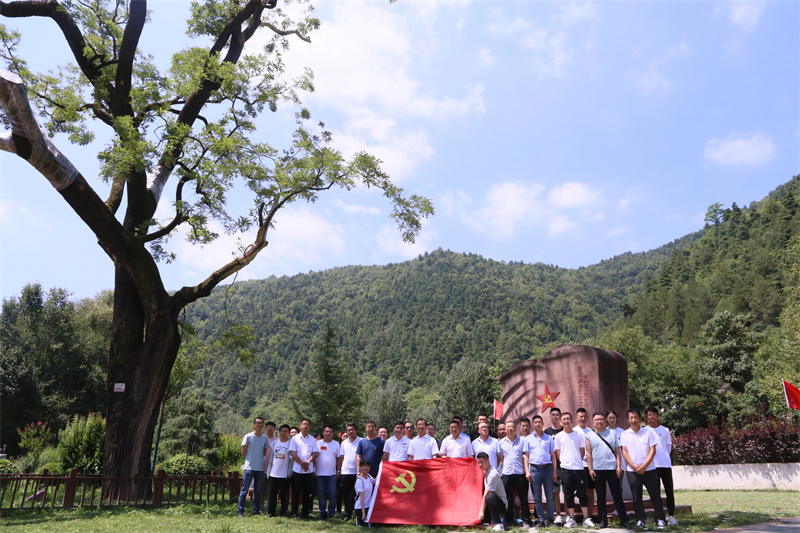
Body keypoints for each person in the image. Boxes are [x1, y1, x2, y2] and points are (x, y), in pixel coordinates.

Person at [621, 409, 666, 530]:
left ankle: (660, 519)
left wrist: (645, 466)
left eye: (635, 417)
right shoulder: (624, 434)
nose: (633, 420)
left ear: (640, 418)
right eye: (631, 418)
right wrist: (634, 466)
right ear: (628, 420)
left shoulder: (648, 432)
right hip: (633, 471)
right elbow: (624, 452)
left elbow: (652, 450)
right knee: (637, 497)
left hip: (649, 469)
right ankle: (640, 519)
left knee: (655, 495)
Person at [585, 412, 629, 529]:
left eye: (601, 419)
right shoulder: (589, 435)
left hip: (612, 468)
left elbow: (618, 451)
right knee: (600, 496)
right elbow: (589, 453)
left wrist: (619, 466)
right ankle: (603, 520)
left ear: (605, 420)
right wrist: (590, 468)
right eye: (596, 420)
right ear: (593, 422)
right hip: (597, 469)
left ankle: (623, 519)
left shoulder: (612, 433)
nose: (599, 421)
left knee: (617, 495)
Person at [553, 412, 595, 529]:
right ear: (561, 422)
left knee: (582, 494)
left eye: (568, 419)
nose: (566, 421)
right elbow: (557, 453)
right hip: (566, 470)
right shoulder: (558, 436)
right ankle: (571, 519)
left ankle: (586, 518)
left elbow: (582, 451)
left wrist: (576, 461)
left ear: (572, 421)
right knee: (568, 494)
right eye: (564, 419)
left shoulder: (579, 434)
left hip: (578, 469)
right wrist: (565, 462)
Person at [523, 414, 556, 527]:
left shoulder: (549, 438)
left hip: (547, 469)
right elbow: (526, 456)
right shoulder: (528, 439)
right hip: (534, 469)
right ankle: (541, 519)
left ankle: (550, 519)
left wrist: (554, 472)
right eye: (535, 422)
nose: (537, 424)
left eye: (539, 422)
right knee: (537, 497)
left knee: (550, 496)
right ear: (533, 425)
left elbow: (553, 456)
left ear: (543, 424)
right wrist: (527, 471)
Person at [647, 407, 678, 526]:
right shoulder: (645, 431)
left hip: (664, 464)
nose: (652, 417)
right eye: (650, 415)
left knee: (669, 491)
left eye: (654, 414)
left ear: (657, 416)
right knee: (656, 493)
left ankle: (671, 515)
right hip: (652, 466)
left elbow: (668, 447)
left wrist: (664, 458)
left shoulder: (665, 430)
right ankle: (659, 517)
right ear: (647, 417)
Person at [498, 420, 531, 527]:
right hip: (507, 473)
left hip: (520, 472)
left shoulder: (522, 441)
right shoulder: (501, 442)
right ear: (505, 429)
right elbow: (501, 457)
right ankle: (510, 521)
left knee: (523, 497)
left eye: (511, 426)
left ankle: (526, 520)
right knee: (508, 498)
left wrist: (527, 471)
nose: (509, 429)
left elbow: (525, 456)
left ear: (515, 428)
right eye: (507, 427)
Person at [238, 417, 271, 517]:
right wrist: (249, 460)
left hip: (260, 468)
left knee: (258, 491)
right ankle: (240, 511)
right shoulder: (248, 436)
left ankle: (256, 511)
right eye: (257, 423)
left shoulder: (264, 438)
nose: (259, 425)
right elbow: (243, 451)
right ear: (254, 424)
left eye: (261, 423)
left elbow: (264, 452)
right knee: (244, 490)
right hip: (249, 467)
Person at [289, 419, 318, 519]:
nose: (305, 426)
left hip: (308, 470)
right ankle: (294, 512)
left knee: (307, 492)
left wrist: (308, 462)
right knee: (296, 492)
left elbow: (315, 453)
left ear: (309, 427)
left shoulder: (312, 439)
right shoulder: (295, 439)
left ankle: (305, 513)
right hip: (297, 469)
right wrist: (302, 463)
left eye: (307, 424)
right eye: (303, 424)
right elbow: (293, 453)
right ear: (300, 426)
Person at [544, 407, 566, 524]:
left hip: (566, 466)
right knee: (555, 492)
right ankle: (558, 514)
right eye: (553, 415)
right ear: (550, 416)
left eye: (557, 414)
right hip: (553, 467)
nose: (555, 417)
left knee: (567, 491)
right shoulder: (546, 433)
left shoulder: (565, 430)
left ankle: (568, 515)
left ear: (560, 416)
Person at [477, 451, 507, 533]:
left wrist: (481, 511)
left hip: (501, 504)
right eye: (478, 462)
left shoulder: (492, 474)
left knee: (488, 497)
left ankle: (498, 524)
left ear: (488, 461)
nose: (480, 465)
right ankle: (487, 522)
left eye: (481, 462)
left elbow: (486, 494)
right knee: (487, 498)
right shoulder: (485, 472)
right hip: (494, 501)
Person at [315, 426, 340, 519]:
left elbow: (339, 458)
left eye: (330, 432)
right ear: (323, 433)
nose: (328, 433)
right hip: (319, 474)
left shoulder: (336, 444)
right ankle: (322, 513)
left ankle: (331, 513)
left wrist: (338, 470)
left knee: (332, 495)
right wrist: (313, 470)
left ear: (332, 433)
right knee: (321, 495)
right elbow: (314, 457)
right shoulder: (318, 443)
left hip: (332, 474)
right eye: (326, 431)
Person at [267, 424, 292, 517]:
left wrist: (290, 473)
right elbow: (271, 458)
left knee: (284, 496)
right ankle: (270, 512)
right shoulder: (274, 443)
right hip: (274, 473)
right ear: (279, 432)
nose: (284, 433)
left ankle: (283, 512)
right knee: (272, 495)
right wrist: (269, 471)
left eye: (286, 431)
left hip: (285, 474)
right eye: (282, 431)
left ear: (289, 433)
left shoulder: (291, 443)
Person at [575, 407, 595, 518]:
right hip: (577, 466)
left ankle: (590, 515)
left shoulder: (591, 431)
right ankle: (580, 515)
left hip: (588, 465)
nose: (582, 418)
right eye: (580, 416)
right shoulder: (573, 431)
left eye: (584, 416)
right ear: (577, 418)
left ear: (587, 417)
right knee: (579, 491)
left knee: (590, 491)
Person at [338, 422, 361, 521]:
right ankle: (348, 514)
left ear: (356, 430)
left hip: (357, 472)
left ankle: (359, 513)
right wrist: (339, 470)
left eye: (352, 429)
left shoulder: (361, 441)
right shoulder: (344, 443)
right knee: (346, 494)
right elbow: (341, 457)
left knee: (356, 494)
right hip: (346, 472)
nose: (351, 432)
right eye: (348, 430)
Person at [354, 459, 376, 527]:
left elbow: (376, 481)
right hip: (361, 507)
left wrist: (381, 469)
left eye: (368, 466)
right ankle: (358, 519)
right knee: (367, 525)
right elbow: (362, 498)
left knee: (376, 524)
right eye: (364, 466)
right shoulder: (359, 480)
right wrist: (363, 513)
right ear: (360, 467)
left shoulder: (369, 477)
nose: (366, 468)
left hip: (369, 506)